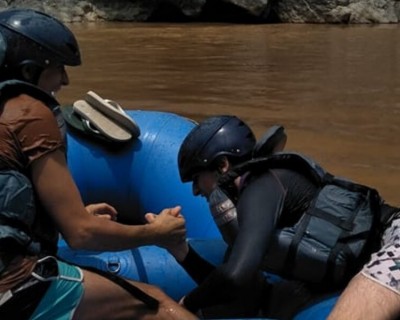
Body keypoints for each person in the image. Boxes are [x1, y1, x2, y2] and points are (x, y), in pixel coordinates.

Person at [0, 8, 198, 320]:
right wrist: (156, 233)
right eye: (58, 67)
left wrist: (67, 217)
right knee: (157, 304)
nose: (65, 79)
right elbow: (82, 235)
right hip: (12, 283)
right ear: (28, 71)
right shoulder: (30, 114)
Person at [161, 114, 400, 319]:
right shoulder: (253, 206)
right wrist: (181, 251)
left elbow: (235, 275)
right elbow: (240, 289)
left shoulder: (261, 188)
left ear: (222, 164)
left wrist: (184, 305)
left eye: (196, 178)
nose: (195, 191)